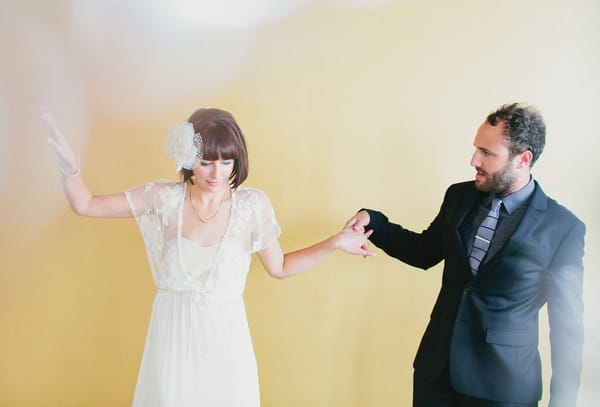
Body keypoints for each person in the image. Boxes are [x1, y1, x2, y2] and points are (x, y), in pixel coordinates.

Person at [42, 107, 374, 407]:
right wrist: (69, 166)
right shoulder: (163, 198)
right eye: (206, 162)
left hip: (226, 343)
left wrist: (334, 242)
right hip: (171, 341)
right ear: (188, 159)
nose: (217, 173)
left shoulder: (251, 206)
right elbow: (86, 205)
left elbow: (281, 267)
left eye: (226, 162)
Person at [345, 103, 585, 407]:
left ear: (523, 159)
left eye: (487, 152)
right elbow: (423, 252)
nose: (474, 160)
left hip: (503, 389)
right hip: (436, 375)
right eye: (476, 149)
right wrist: (375, 222)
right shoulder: (459, 196)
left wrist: (563, 403)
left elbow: (567, 329)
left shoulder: (562, 228)